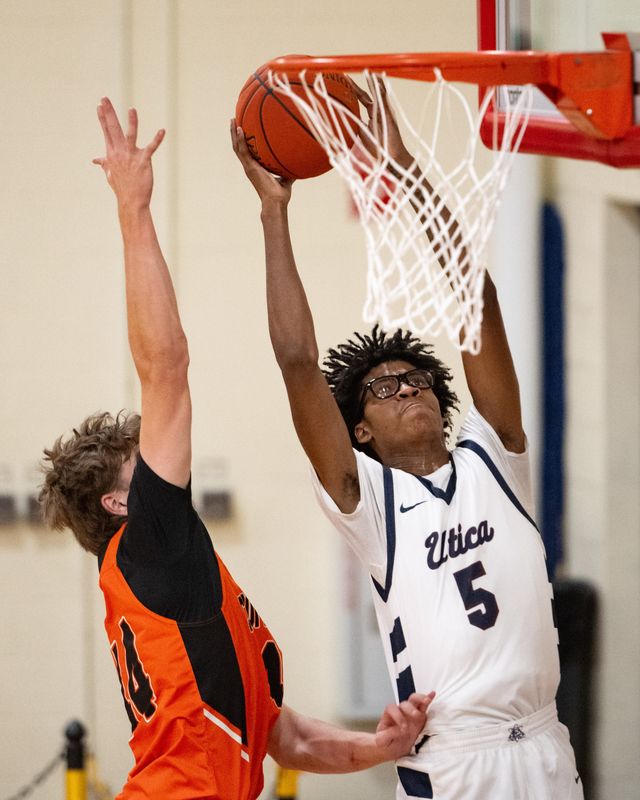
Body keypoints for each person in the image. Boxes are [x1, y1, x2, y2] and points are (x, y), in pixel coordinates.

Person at [39, 97, 433, 800]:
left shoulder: (180, 580)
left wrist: (381, 745)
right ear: (119, 500)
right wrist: (133, 206)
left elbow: (287, 739)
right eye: (143, 459)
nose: (169, 460)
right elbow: (166, 367)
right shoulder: (150, 544)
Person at [231, 79, 583, 799]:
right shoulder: (370, 501)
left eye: (419, 378)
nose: (410, 388)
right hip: (455, 762)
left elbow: (472, 302)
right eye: (385, 388)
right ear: (359, 429)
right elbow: (298, 362)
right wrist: (274, 213)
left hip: (546, 747)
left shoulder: (497, 453)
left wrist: (408, 175)